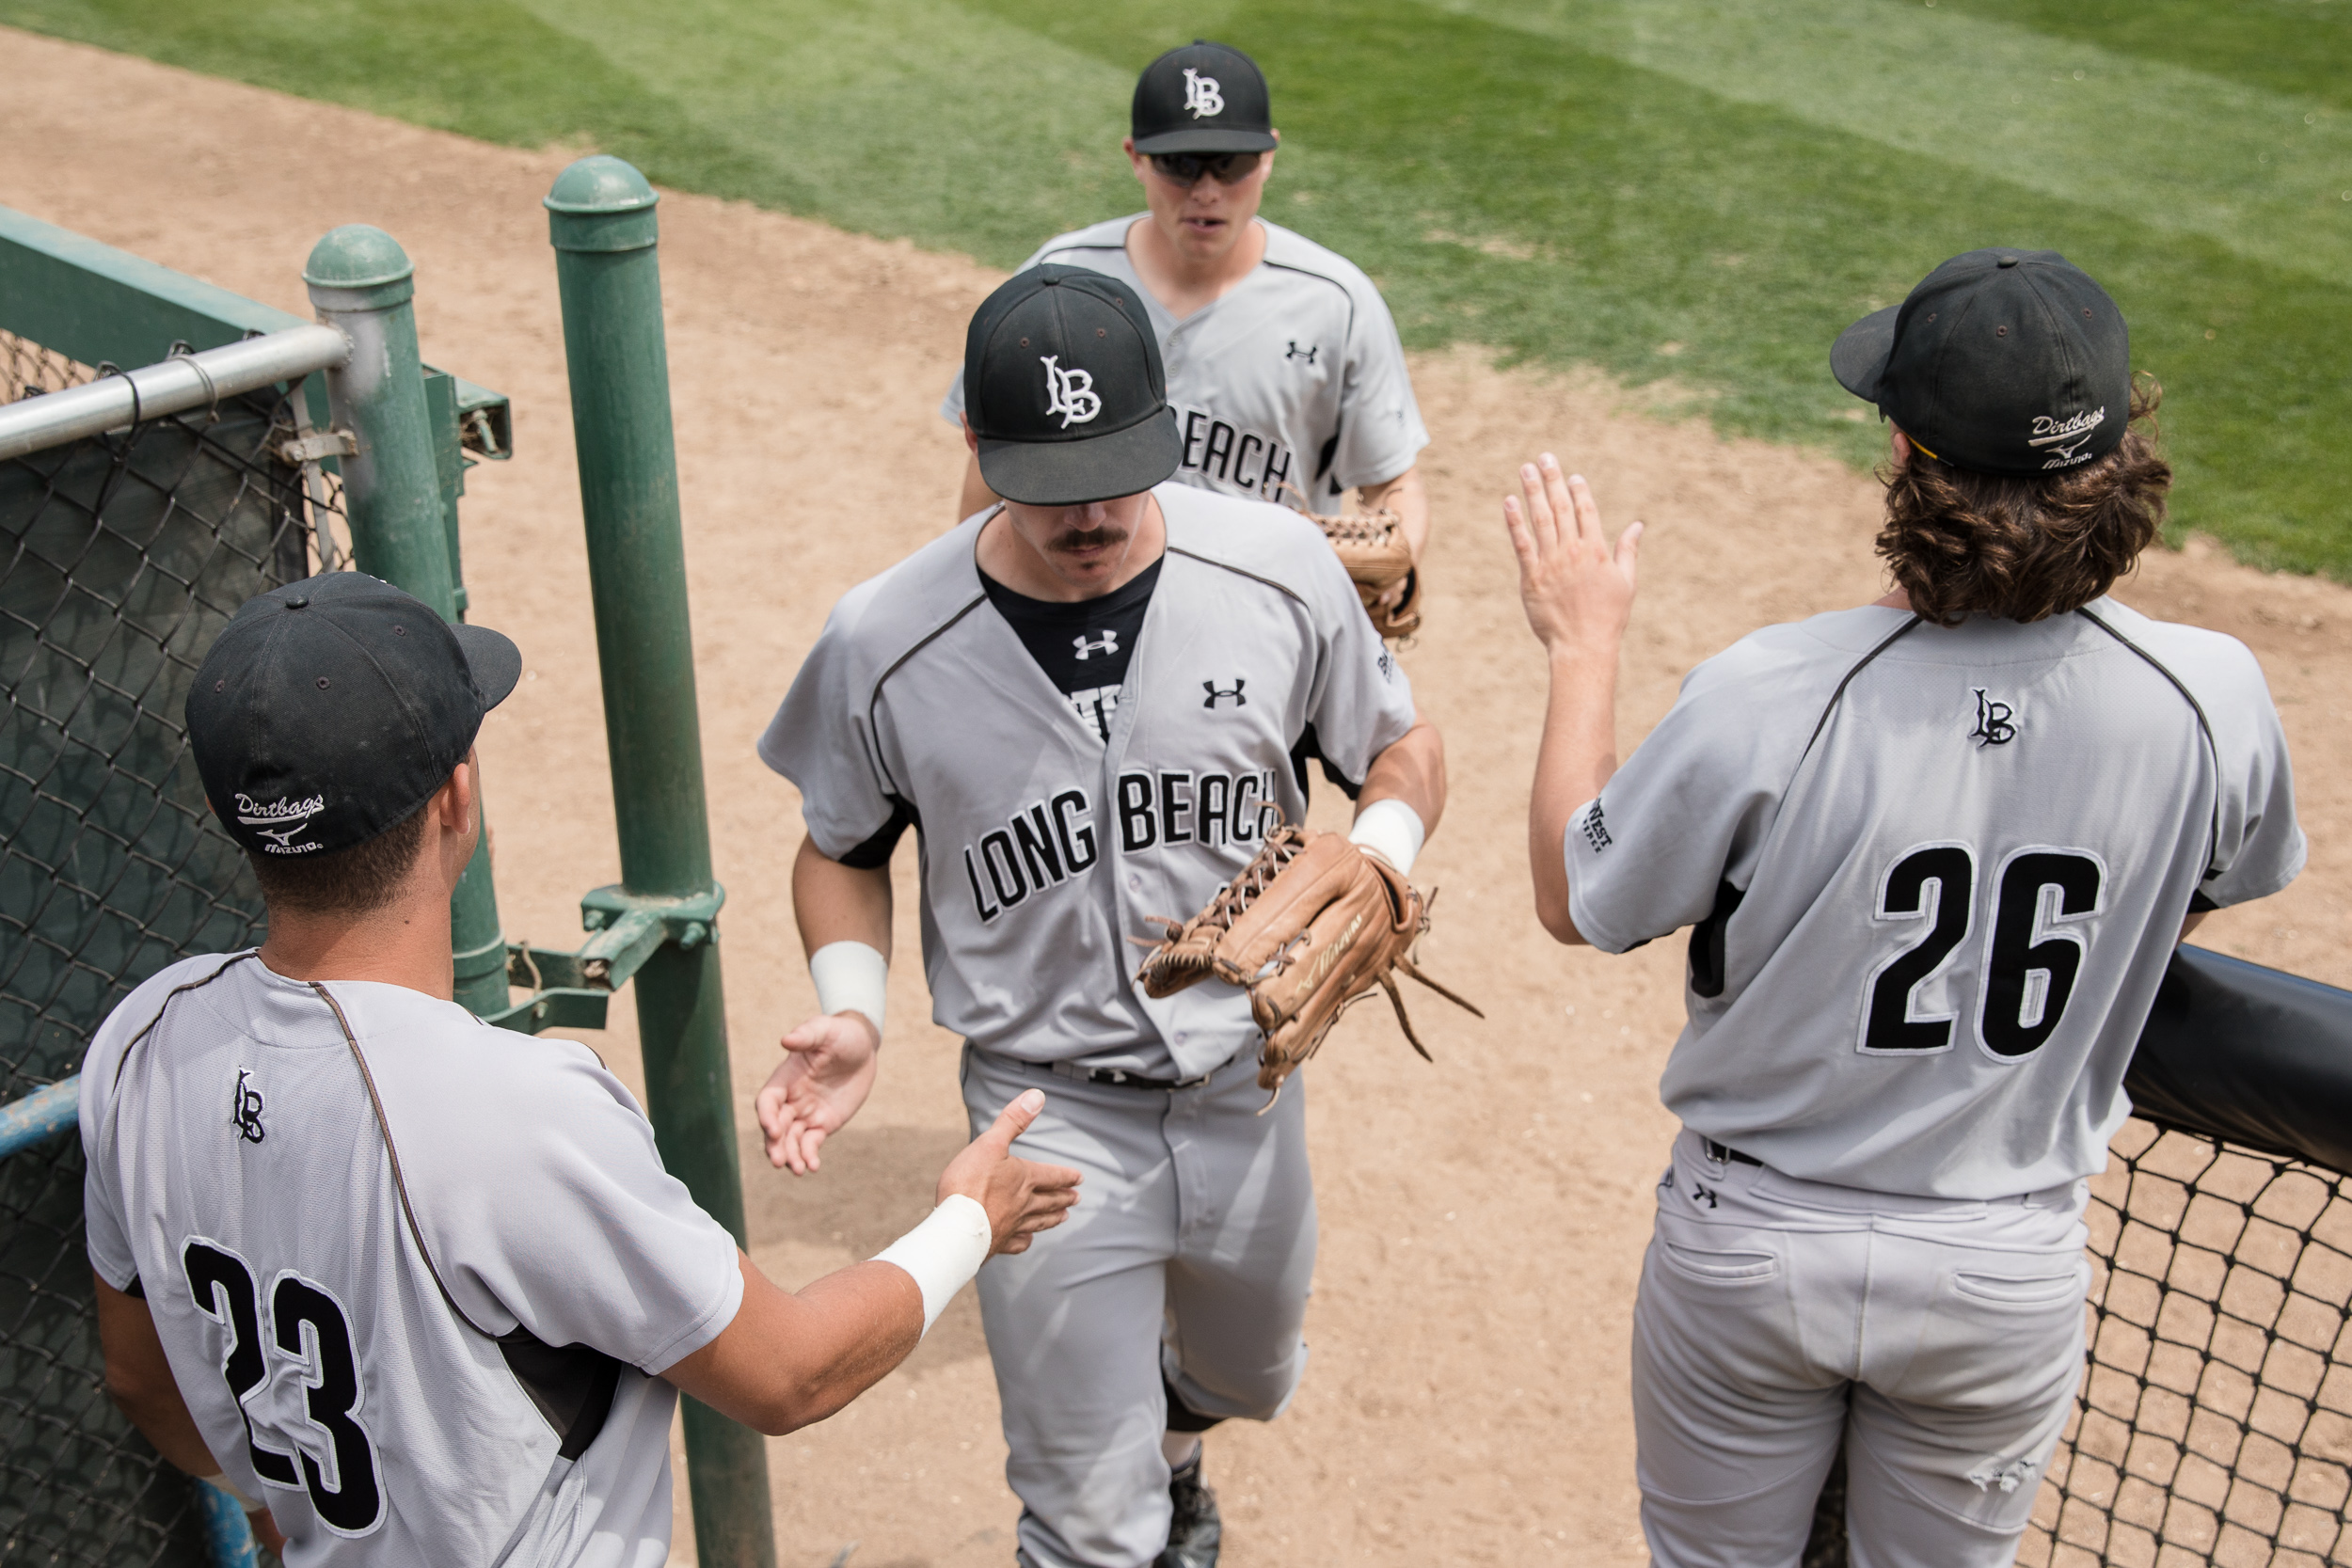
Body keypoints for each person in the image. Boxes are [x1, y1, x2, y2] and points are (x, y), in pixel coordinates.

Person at [1504, 248, 2304, 1568]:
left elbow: (1575, 896)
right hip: (2002, 1272)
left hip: (1753, 1254)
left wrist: (1582, 645)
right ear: (2121, 458)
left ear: (1903, 451)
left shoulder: (1774, 688)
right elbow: (2209, 884)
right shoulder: (2213, 697)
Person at [81, 571, 1080, 1565]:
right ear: (455, 795)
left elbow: (141, 1377)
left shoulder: (139, 1045)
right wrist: (970, 1217)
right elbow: (791, 1375)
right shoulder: (514, 1111)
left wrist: (271, 1503)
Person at [757, 264, 1448, 1568]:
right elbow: (836, 844)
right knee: (1085, 1519)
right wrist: (854, 1008)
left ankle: (1181, 1454)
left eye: (1116, 470)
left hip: (1248, 1075)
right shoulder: (886, 636)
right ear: (978, 446)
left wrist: (1382, 847)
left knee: (1250, 1371)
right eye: (1049, 480)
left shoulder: (1281, 566)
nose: (1088, 513)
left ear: (1166, 427)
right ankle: (1125, 1512)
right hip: (1042, 1113)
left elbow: (1402, 741)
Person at [941, 40, 1432, 578]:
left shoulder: (1337, 302)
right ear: (1136, 158)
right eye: (1180, 165)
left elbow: (1394, 482)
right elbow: (994, 466)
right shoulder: (1058, 282)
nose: (1206, 191)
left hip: (1263, 609)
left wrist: (1397, 568)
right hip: (1087, 606)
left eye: (1230, 164)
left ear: (1268, 156)